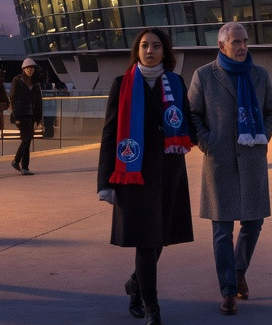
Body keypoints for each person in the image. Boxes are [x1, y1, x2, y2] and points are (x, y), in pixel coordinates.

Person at [97, 28, 195, 325]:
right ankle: (152, 307)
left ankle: (135, 284)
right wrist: (105, 182)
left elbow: (189, 123)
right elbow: (110, 134)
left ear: (165, 51)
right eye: (144, 46)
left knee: (160, 237)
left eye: (155, 46)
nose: (150, 50)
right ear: (136, 51)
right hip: (133, 173)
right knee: (146, 239)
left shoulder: (177, 83)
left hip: (169, 171)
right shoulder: (121, 84)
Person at [187, 21, 272, 316]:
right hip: (220, 160)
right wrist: (207, 141)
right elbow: (192, 114)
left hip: (252, 160)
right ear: (222, 46)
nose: (242, 47)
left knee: (254, 223)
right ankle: (228, 290)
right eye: (236, 42)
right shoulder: (204, 75)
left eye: (244, 41)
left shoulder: (259, 75)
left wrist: (262, 134)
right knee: (221, 230)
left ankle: (239, 270)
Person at [10, 58, 44, 175]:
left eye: (32, 68)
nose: (30, 70)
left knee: (27, 140)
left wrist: (38, 118)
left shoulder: (36, 83)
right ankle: (17, 160)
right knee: (27, 138)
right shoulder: (17, 80)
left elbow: (39, 102)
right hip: (21, 115)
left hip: (31, 115)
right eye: (27, 68)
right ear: (23, 69)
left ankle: (24, 167)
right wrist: (16, 117)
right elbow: (13, 98)